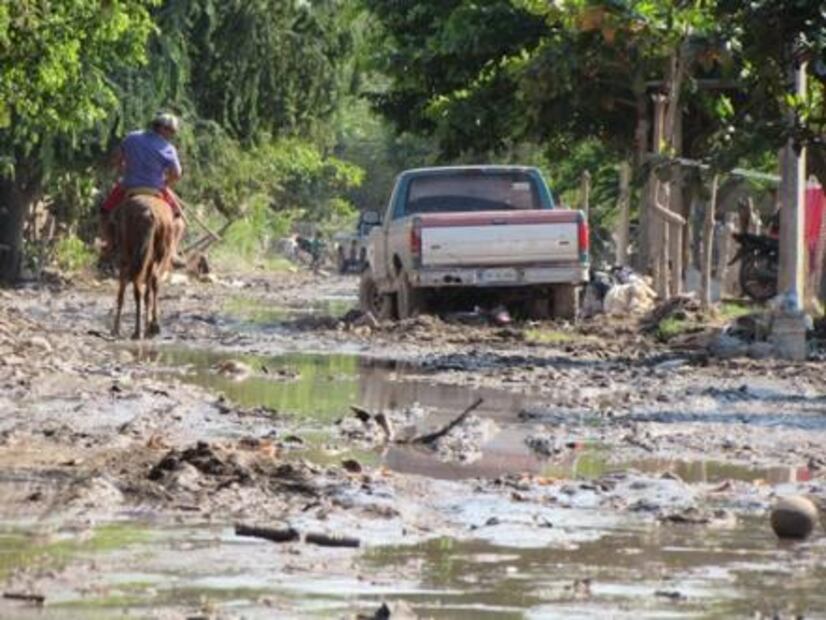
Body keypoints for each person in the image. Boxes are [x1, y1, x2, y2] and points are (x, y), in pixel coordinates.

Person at [99, 113, 185, 261]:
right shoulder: (169, 148)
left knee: (104, 212)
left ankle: (110, 244)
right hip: (155, 189)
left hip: (128, 186)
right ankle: (172, 252)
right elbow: (177, 174)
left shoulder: (132, 137)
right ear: (163, 129)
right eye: (171, 132)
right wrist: (166, 183)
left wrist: (122, 170)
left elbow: (116, 159)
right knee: (179, 219)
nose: (171, 135)